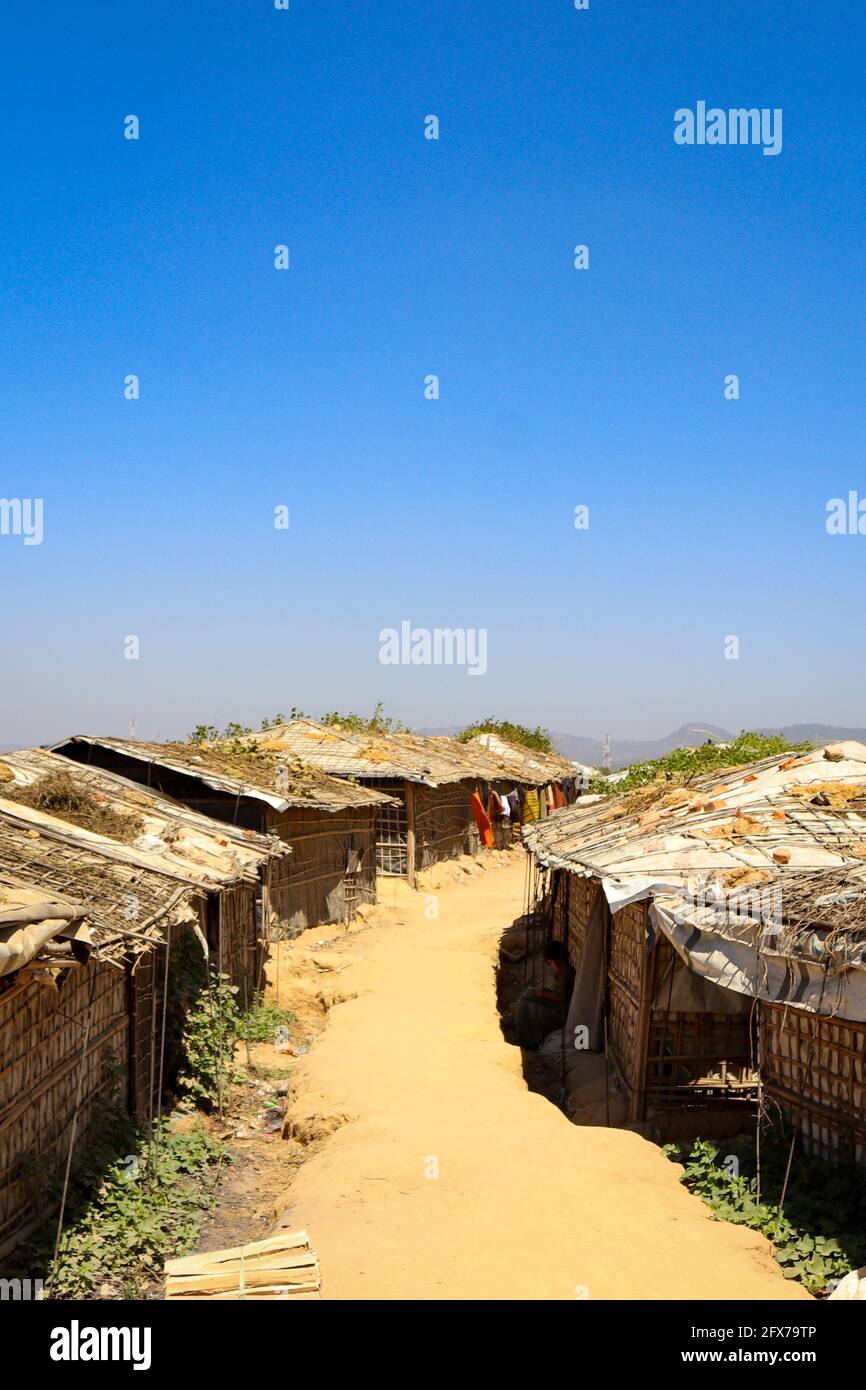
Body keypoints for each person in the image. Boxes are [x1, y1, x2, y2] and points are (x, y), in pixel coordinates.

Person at [504, 939, 569, 1049]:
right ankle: (516, 1021)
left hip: (560, 1016)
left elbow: (564, 998)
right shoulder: (563, 972)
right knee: (529, 992)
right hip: (556, 1006)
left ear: (557, 961)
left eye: (550, 963)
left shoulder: (566, 975)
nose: (550, 965)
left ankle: (526, 1040)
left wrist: (545, 994)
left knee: (525, 1006)